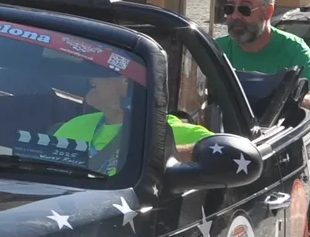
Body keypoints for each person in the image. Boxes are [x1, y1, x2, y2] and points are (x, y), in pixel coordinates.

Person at [214, 0, 310, 117]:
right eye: (230, 8)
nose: (235, 16)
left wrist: (275, 97)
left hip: (273, 137)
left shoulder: (295, 51)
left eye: (245, 9)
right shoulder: (215, 50)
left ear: (268, 11)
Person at [52, 68, 207, 170]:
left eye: (102, 71)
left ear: (127, 83)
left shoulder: (168, 129)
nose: (92, 79)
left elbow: (222, 154)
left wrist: (164, 155)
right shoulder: (76, 124)